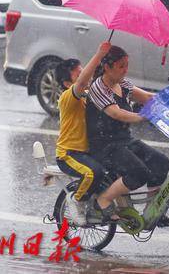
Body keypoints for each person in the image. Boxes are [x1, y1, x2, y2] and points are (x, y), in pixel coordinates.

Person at [86, 45, 169, 222]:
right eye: (121, 66)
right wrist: (143, 116)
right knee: (139, 173)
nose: (125, 70)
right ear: (107, 67)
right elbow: (116, 113)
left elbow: (147, 97)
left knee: (161, 162)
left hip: (124, 141)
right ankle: (103, 200)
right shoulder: (98, 88)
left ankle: (152, 209)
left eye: (126, 65)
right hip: (104, 146)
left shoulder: (122, 84)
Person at [55, 41, 111, 226]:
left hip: (87, 152)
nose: (83, 75)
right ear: (66, 82)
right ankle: (76, 200)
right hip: (69, 154)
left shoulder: (88, 95)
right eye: (78, 74)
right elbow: (82, 83)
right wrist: (99, 55)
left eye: (82, 70)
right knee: (93, 173)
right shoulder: (68, 97)